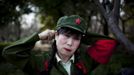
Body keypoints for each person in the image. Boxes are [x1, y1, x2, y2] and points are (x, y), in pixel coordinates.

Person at [2, 15, 118, 75]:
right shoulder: (40, 62)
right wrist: (38, 37)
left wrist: (82, 33)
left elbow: (110, 43)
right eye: (66, 35)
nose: (70, 43)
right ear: (56, 35)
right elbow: (9, 52)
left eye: (76, 38)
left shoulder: (85, 61)